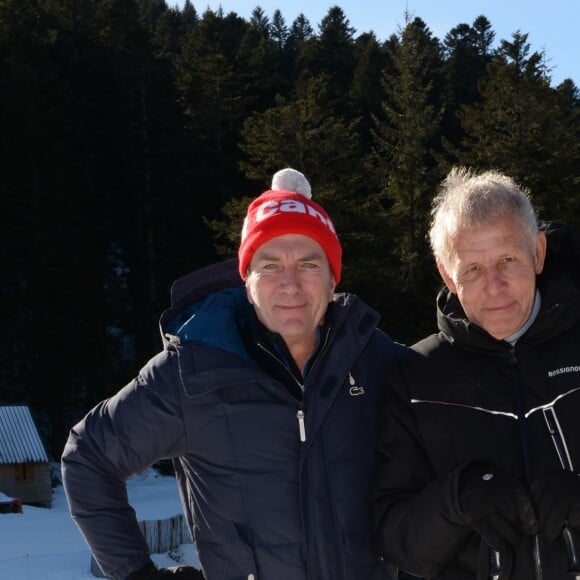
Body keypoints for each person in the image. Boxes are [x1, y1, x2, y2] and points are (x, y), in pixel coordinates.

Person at [62, 168, 404, 580]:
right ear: (247, 279)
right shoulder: (193, 371)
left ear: (333, 280)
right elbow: (88, 456)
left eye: (310, 264)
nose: (291, 285)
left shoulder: (378, 361)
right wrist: (136, 574)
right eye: (271, 265)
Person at [373, 166, 580, 580]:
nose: (495, 285)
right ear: (447, 274)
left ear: (538, 253)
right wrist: (455, 502)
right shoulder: (414, 378)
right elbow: (392, 535)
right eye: (472, 270)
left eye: (508, 260)